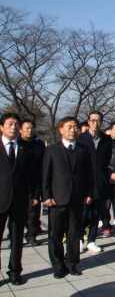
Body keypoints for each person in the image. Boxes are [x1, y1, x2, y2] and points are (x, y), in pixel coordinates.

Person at [42, 117, 93, 278]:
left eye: (75, 127)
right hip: (57, 198)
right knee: (55, 234)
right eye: (69, 127)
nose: (72, 130)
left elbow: (89, 174)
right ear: (61, 130)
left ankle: (72, 263)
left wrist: (89, 193)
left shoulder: (84, 150)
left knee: (74, 233)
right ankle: (58, 266)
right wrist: (46, 196)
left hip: (77, 197)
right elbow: (46, 175)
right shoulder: (52, 149)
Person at [0, 113, 40, 286]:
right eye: (9, 124)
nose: (13, 127)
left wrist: (34, 195)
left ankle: (15, 271)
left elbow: (33, 174)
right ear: (1, 127)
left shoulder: (26, 147)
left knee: (17, 239)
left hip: (20, 199)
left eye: (16, 124)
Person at [76, 111, 114, 253]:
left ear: (102, 122)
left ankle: (92, 240)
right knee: (83, 213)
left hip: (100, 180)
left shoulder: (106, 139)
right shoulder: (80, 138)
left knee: (96, 213)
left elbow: (106, 160)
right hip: (84, 181)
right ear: (88, 121)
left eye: (98, 121)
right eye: (93, 120)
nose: (95, 123)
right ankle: (79, 239)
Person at [19, 119, 46, 247]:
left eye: (32, 128)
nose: (30, 130)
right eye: (27, 128)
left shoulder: (39, 145)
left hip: (35, 181)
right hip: (19, 182)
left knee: (33, 211)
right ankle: (15, 236)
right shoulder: (16, 143)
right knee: (18, 212)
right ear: (20, 130)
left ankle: (31, 235)